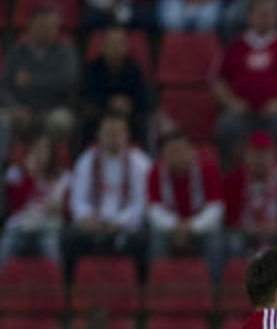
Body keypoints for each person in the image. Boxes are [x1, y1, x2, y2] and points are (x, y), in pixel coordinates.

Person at [212, 0, 277, 163]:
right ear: (249, 16)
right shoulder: (234, 46)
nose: (266, 18)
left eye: (270, 14)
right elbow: (218, 80)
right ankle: (234, 170)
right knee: (225, 125)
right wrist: (232, 102)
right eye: (261, 14)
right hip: (242, 113)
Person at [68, 115, 152, 266]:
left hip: (127, 224)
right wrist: (86, 217)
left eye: (118, 132)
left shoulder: (140, 162)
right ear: (99, 135)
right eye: (108, 132)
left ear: (127, 135)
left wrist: (120, 222)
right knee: (69, 238)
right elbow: (77, 199)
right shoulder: (86, 160)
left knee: (143, 240)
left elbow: (141, 202)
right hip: (94, 222)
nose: (113, 137)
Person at [147, 131, 226, 275]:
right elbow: (154, 210)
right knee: (157, 239)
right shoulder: (156, 172)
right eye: (171, 152)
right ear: (163, 154)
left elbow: (215, 209)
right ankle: (159, 282)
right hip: (170, 230)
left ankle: (214, 285)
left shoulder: (207, 169)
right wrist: (175, 225)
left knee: (214, 240)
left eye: (180, 150)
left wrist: (191, 226)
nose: (177, 156)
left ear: (191, 151)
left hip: (199, 228)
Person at [2, 6, 80, 144]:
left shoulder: (65, 52)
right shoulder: (17, 52)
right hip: (20, 109)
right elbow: (5, 86)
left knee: (60, 122)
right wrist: (14, 107)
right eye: (43, 27)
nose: (48, 31)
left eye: (52, 27)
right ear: (30, 26)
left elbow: (65, 81)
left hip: (54, 108)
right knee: (2, 121)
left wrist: (30, 81)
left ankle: (52, 157)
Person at [224, 131, 277, 255]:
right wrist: (245, 229)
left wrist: (274, 228)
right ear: (246, 156)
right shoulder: (234, 179)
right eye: (255, 154)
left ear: (273, 156)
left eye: (264, 155)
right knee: (231, 241)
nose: (259, 160)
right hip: (243, 235)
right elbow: (228, 219)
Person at [1, 138, 71, 268]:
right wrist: (30, 176)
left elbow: (66, 211)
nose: (39, 155)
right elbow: (16, 205)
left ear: (51, 155)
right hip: (21, 226)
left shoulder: (63, 177)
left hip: (48, 227)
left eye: (43, 151)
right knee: (7, 243)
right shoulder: (15, 174)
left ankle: (57, 280)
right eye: (36, 151)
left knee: (51, 248)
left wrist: (59, 208)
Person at [81, 26, 150, 144]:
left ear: (126, 47)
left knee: (142, 122)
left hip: (129, 115)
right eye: (111, 44)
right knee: (86, 120)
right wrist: (110, 103)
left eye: (119, 44)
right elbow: (86, 96)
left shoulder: (135, 69)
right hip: (100, 113)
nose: (115, 48)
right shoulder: (92, 69)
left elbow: (143, 98)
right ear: (102, 47)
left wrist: (129, 104)